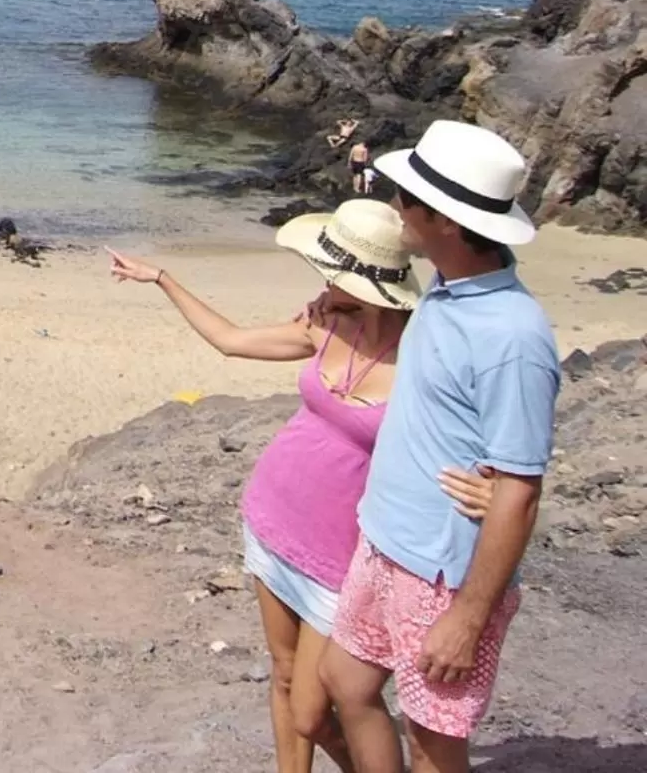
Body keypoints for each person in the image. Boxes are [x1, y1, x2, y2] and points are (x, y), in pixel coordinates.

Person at [110, 201, 490, 773]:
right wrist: (161, 278)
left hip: (342, 552)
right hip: (272, 519)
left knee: (315, 710)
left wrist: (494, 489)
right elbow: (230, 340)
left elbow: (480, 438)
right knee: (284, 674)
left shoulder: (422, 354)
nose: (321, 281)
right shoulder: (322, 325)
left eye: (332, 273)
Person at [319, 122, 558, 773]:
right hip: (388, 543)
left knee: (433, 740)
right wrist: (343, 310)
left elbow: (522, 486)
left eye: (409, 198)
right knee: (345, 682)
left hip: (443, 577)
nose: (398, 206)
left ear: (444, 222)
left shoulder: (513, 336)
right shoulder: (448, 292)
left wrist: (469, 617)